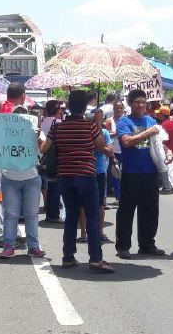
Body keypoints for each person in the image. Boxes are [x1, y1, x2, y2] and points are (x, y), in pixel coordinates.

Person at [41, 90, 114, 273]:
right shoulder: (90, 127)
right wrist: (97, 123)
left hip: (65, 177)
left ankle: (68, 257)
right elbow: (101, 146)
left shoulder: (58, 127)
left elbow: (44, 149)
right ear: (85, 107)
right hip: (86, 175)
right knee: (92, 217)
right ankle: (96, 259)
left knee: (71, 216)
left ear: (69, 105)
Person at [115, 90, 172, 260]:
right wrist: (148, 132)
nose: (141, 105)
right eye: (137, 102)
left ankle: (147, 244)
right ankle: (123, 246)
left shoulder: (151, 120)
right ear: (130, 104)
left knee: (150, 210)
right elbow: (126, 142)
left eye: (143, 102)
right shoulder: (124, 122)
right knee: (126, 211)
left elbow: (158, 143)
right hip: (132, 173)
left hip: (151, 172)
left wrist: (168, 152)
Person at [0, 83, 46, 259]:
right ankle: (8, 246)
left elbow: (43, 149)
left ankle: (33, 246)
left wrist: (38, 136)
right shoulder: (4, 132)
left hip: (31, 177)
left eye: (23, 115)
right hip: (10, 177)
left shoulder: (36, 131)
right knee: (10, 214)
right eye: (16, 114)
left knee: (32, 214)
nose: (20, 117)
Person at [78, 108, 114, 245]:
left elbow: (109, 150)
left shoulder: (104, 132)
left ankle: (100, 231)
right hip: (85, 170)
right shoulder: (84, 132)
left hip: (99, 171)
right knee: (83, 204)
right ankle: (83, 233)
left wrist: (99, 130)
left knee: (100, 204)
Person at [40, 99, 65, 223]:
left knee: (50, 185)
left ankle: (50, 212)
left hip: (46, 156)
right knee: (55, 186)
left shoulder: (43, 121)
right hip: (56, 156)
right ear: (58, 110)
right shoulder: (58, 122)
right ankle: (53, 214)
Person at [105, 100, 125, 202]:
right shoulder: (109, 121)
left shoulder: (126, 120)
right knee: (115, 174)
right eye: (117, 108)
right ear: (113, 109)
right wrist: (116, 133)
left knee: (125, 175)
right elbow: (105, 134)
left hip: (125, 151)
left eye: (121, 108)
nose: (119, 110)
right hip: (114, 152)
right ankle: (118, 197)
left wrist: (115, 133)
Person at [157, 105, 173, 194]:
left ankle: (168, 187)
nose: (158, 115)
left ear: (163, 115)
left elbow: (162, 138)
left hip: (166, 147)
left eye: (159, 114)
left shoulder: (164, 124)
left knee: (165, 168)